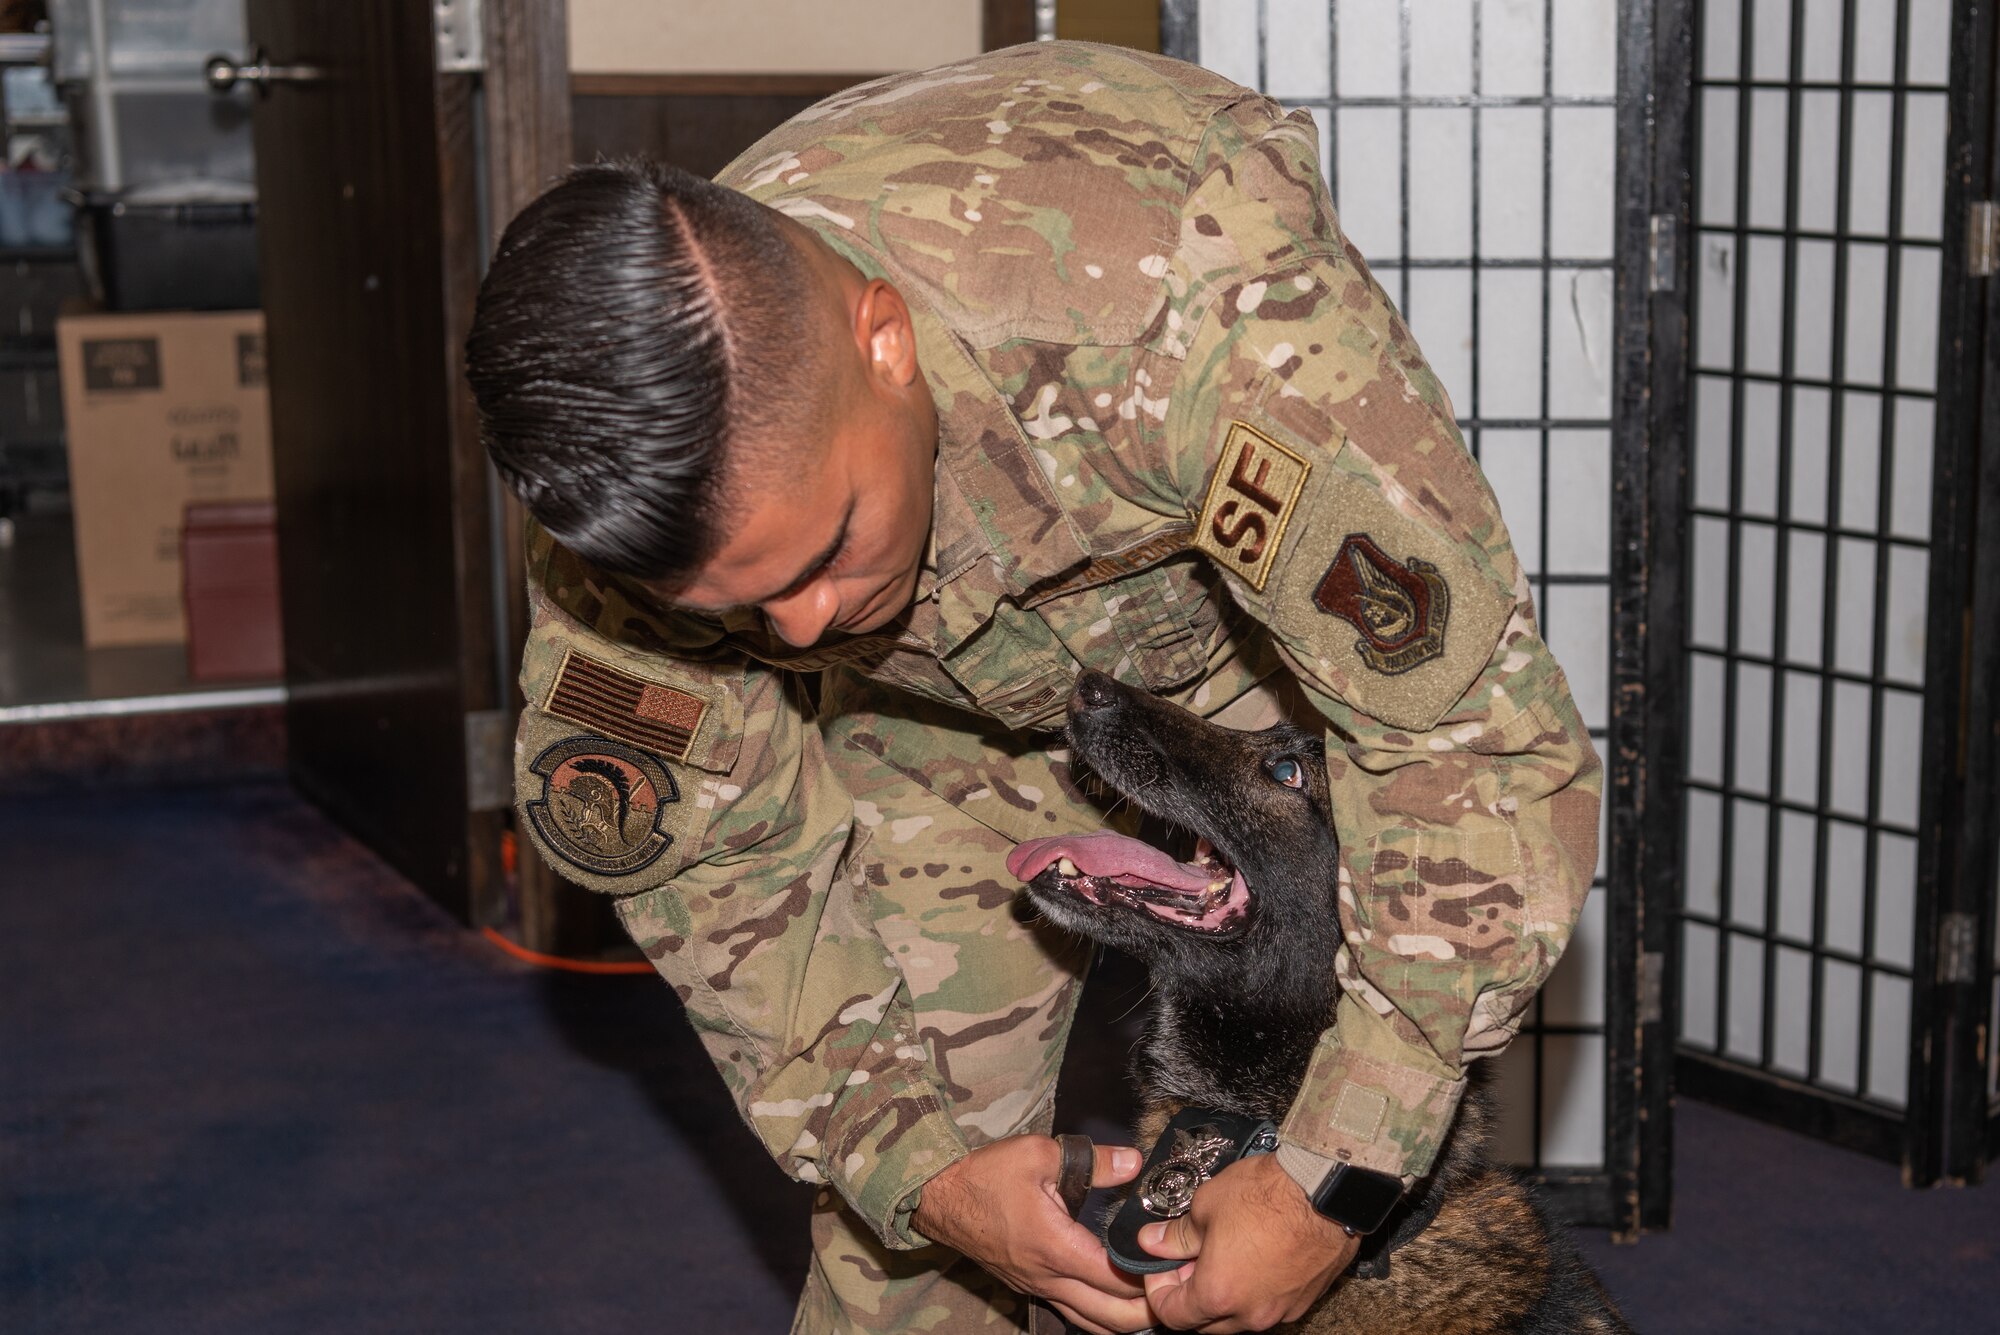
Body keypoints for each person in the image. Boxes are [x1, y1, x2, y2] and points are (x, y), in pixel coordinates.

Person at [466, 41, 1601, 1335]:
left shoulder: (1192, 304)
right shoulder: (627, 532)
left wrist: (1332, 1181)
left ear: (881, 340)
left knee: (1302, 1204)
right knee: (909, 1269)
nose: (804, 623)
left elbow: (1472, 754)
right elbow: (726, 883)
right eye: (735, 610)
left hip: (1232, 685)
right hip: (912, 725)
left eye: (829, 546)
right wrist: (925, 1175)